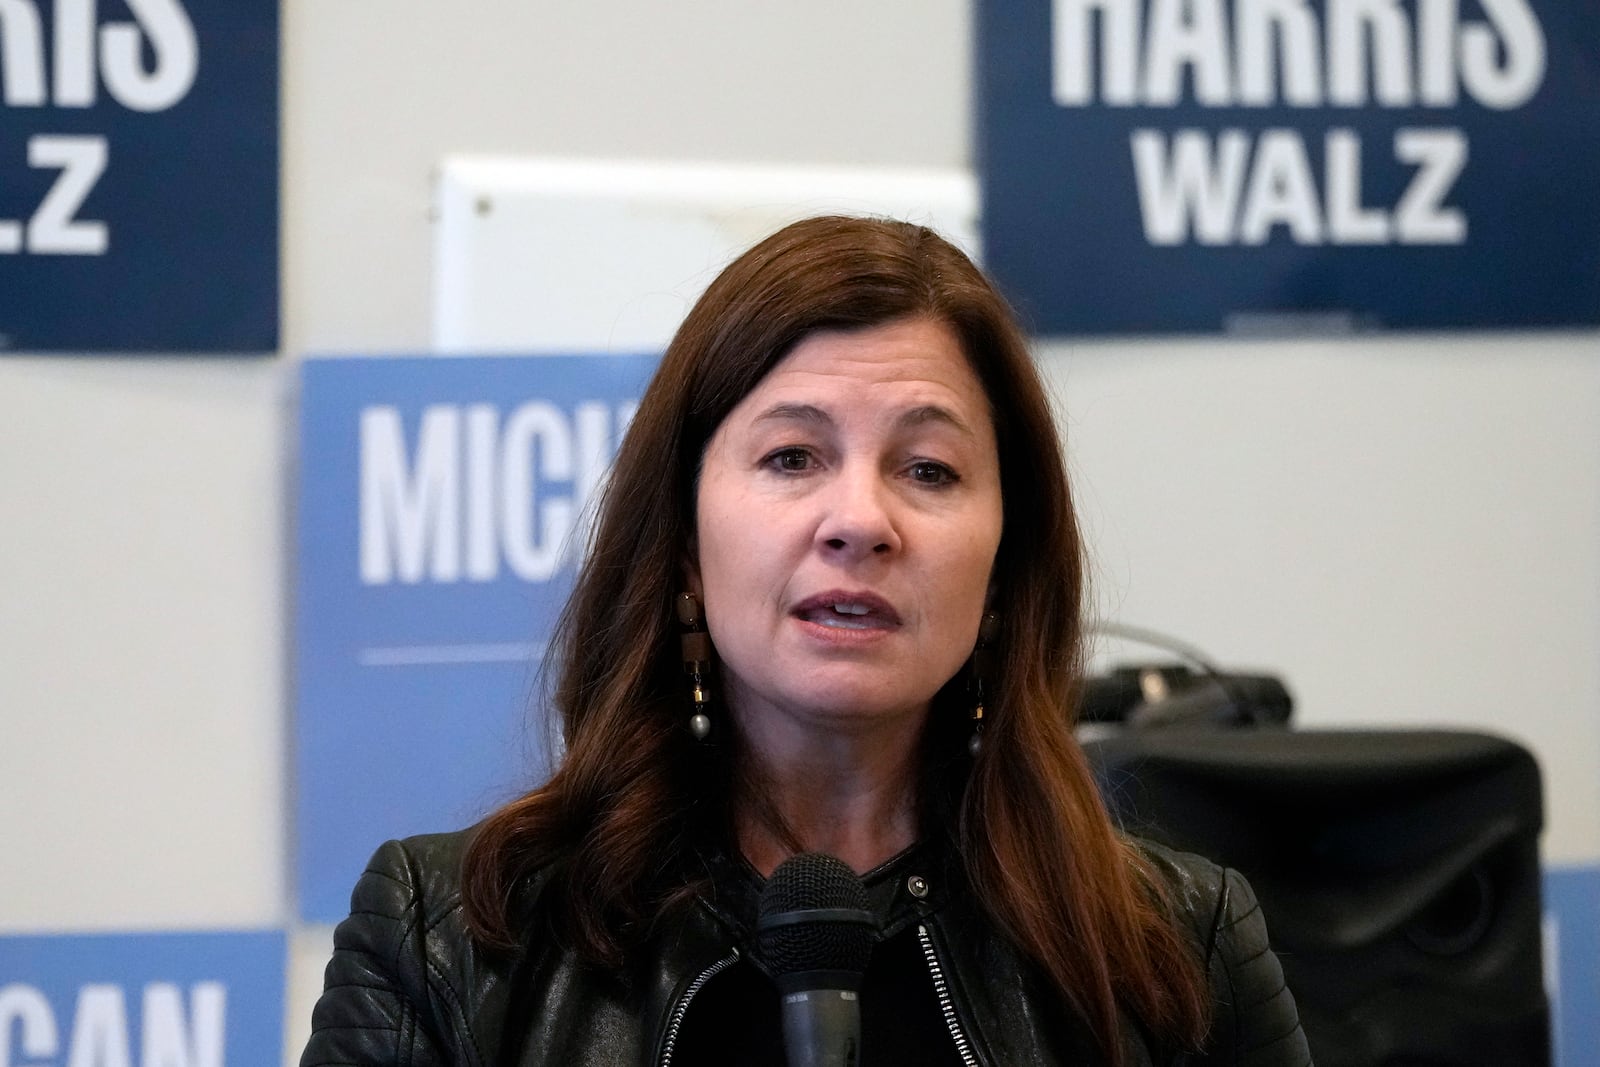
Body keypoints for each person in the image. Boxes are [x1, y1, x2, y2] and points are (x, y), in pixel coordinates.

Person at [300, 216, 1311, 1066]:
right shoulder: (452, 937)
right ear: (684, 549)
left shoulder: (1176, 946)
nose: (859, 519)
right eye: (792, 455)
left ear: (1005, 567)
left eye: (926, 468)